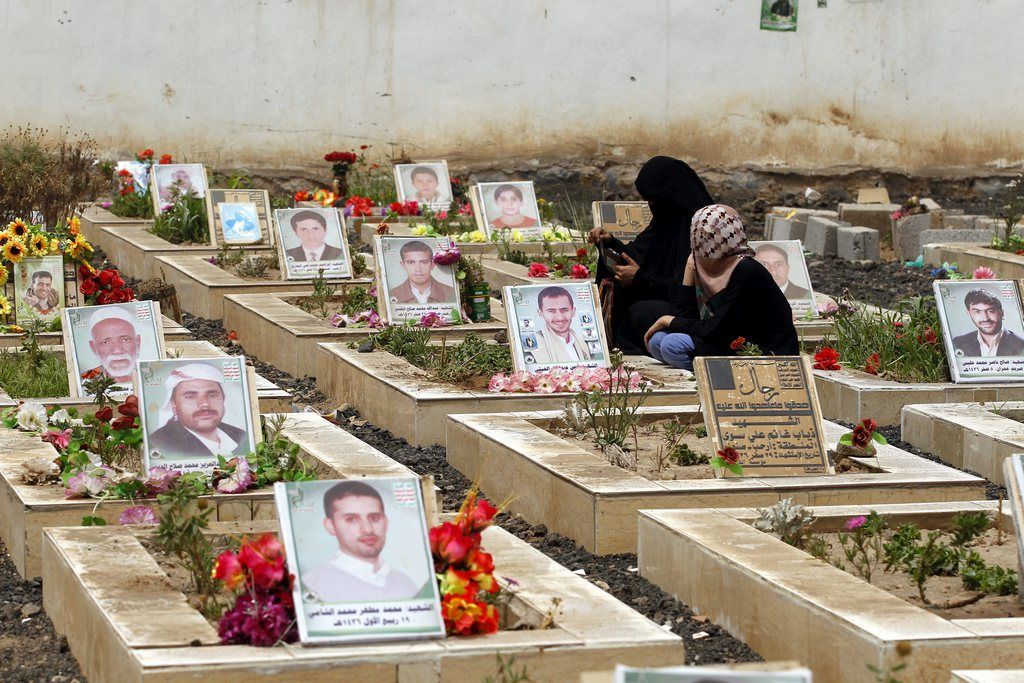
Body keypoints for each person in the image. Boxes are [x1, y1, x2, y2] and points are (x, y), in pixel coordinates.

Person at [643, 204, 799, 370]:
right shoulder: (703, 263)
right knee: (657, 341)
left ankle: (715, 378)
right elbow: (688, 317)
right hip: (724, 337)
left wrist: (669, 321)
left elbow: (715, 328)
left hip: (757, 347)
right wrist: (689, 270)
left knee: (671, 345)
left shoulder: (747, 269)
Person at [590, 156, 715, 354]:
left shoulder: (704, 229)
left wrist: (642, 279)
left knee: (642, 313)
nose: (653, 205)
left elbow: (694, 293)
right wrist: (609, 243)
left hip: (698, 313)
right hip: (666, 298)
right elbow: (639, 255)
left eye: (656, 199)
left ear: (672, 193)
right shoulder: (664, 221)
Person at [302, 481, 422, 603]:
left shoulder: (405, 585)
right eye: (352, 519)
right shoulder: (313, 585)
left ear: (385, 522)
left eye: (374, 518)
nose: (368, 529)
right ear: (331, 526)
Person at [148, 363, 250, 458]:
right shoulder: (160, 443)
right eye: (191, 397)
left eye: (212, 395)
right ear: (174, 404)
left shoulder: (240, 435)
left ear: (223, 399)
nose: (205, 404)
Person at [529, 286, 592, 364]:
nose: (560, 318)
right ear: (541, 313)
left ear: (573, 311)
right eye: (551, 311)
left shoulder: (583, 344)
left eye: (564, 310)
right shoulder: (535, 345)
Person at [80, 307, 143, 384]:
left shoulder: (153, 374)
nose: (117, 351)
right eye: (105, 342)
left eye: (125, 340)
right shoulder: (84, 379)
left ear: (138, 342)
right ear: (93, 347)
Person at [952, 289, 1024, 357]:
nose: (985, 318)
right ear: (969, 313)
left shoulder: (1021, 344)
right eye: (977, 312)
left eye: (990, 311)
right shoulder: (958, 343)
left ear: (1001, 313)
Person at [388, 240, 455, 303]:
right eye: (411, 263)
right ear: (403, 265)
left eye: (424, 262)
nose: (418, 269)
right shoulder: (392, 295)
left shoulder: (450, 293)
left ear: (432, 265)